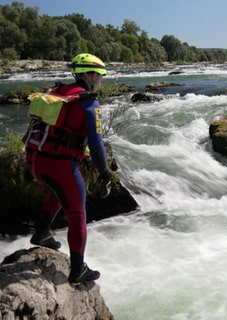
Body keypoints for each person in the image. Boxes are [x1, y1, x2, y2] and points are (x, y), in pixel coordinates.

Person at [22, 53, 111, 285]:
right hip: (59, 165)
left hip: (36, 160)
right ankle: (78, 270)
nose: (101, 80)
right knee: (78, 215)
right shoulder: (89, 102)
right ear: (90, 76)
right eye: (100, 76)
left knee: (59, 191)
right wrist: (105, 174)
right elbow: (96, 144)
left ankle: (42, 232)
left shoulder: (57, 92)